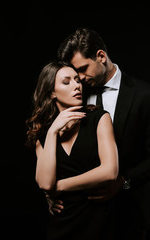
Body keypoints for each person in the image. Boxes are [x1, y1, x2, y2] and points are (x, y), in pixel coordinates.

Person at [49, 27, 150, 239]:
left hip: (129, 214)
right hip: (82, 217)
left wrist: (123, 183)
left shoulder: (145, 94)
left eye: (83, 69)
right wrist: (52, 190)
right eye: (75, 73)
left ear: (101, 56)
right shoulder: (75, 95)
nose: (80, 78)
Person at [25, 60, 119, 240]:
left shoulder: (98, 118)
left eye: (77, 80)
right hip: (63, 223)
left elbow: (110, 171)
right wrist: (53, 131)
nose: (77, 85)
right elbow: (45, 183)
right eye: (66, 82)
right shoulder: (43, 134)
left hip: (99, 221)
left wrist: (60, 186)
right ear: (52, 92)